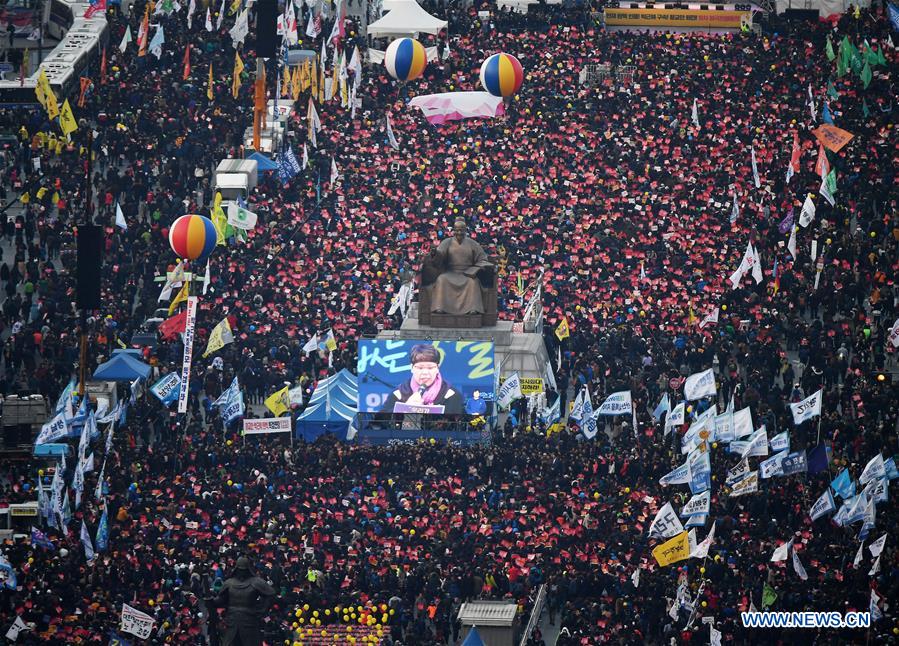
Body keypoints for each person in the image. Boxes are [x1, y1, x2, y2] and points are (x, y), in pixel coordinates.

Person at [426, 218, 493, 315]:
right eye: (457, 230)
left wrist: (476, 269)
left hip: (468, 273)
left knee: (473, 283)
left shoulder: (472, 243)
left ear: (465, 230)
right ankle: (440, 307)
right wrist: (434, 254)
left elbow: (482, 259)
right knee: (441, 279)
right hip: (450, 272)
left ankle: (473, 309)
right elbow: (440, 256)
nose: (459, 232)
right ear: (453, 230)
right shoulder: (447, 242)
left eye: (461, 230)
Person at [208, 556, 277, 646]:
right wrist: (211, 601)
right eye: (240, 570)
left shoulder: (256, 582)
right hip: (232, 620)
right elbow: (221, 599)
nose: (242, 572)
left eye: (243, 570)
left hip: (250, 619)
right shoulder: (229, 583)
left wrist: (262, 610)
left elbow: (271, 594)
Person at [379, 344, 465, 415]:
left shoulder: (452, 395)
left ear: (437, 368)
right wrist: (405, 409)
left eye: (430, 368)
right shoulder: (398, 394)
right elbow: (377, 425)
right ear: (412, 368)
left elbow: (463, 426)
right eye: (420, 368)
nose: (425, 373)